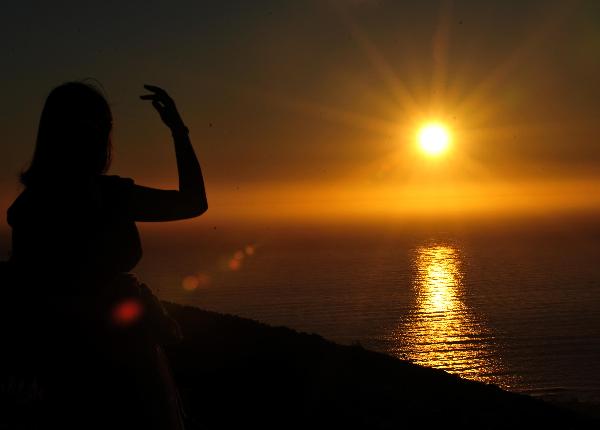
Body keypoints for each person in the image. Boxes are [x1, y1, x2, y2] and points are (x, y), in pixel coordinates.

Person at [3, 81, 207, 429]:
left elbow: (26, 296)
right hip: (124, 369)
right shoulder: (112, 196)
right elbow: (193, 202)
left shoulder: (28, 207)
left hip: (60, 367)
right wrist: (178, 130)